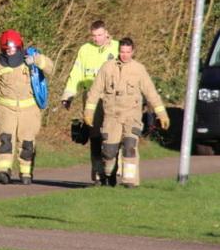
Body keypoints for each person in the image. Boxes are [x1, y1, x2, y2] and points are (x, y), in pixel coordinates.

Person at [83, 37, 169, 188]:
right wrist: (89, 112)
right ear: (118, 51)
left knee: (130, 147)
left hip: (132, 116)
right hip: (112, 117)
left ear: (133, 52)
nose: (125, 55)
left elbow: (151, 93)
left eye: (128, 52)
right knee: (109, 152)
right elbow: (95, 91)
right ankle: (109, 175)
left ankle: (130, 182)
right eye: (122, 52)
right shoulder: (107, 67)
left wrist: (161, 114)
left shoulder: (139, 69)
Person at [0, 29, 54, 184]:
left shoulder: (30, 57)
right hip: (6, 109)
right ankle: (2, 171)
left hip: (29, 110)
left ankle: (25, 172)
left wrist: (36, 60)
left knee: (27, 142)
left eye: (12, 49)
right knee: (6, 140)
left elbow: (50, 68)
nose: (10, 52)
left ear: (19, 46)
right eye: (6, 49)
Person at [60, 19, 119, 184]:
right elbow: (76, 73)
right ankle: (98, 172)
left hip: (111, 96)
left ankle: (113, 170)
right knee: (94, 134)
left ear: (106, 33)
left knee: (112, 133)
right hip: (91, 96)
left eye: (100, 35)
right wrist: (68, 95)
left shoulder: (117, 47)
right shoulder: (85, 50)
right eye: (94, 36)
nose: (97, 39)